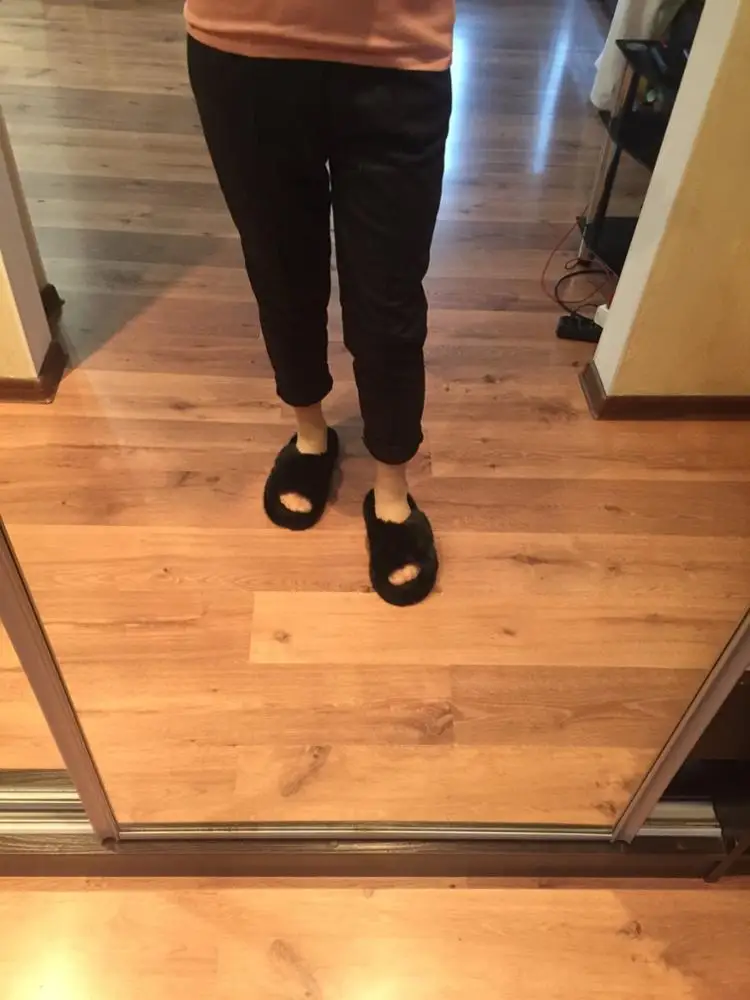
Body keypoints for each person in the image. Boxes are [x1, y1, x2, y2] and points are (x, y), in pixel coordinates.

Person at [186, 1, 455, 606]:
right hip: (242, 41)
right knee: (280, 270)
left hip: (399, 54)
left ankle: (392, 487)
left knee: (388, 301)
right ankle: (309, 434)